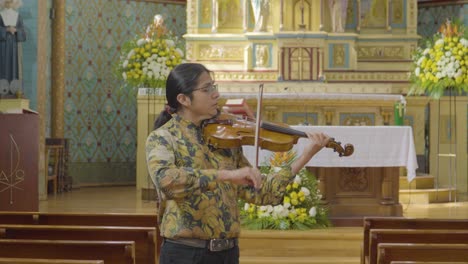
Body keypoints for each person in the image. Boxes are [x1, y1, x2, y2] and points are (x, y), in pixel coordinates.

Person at [146, 62, 330, 264]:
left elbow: (262, 192)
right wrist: (226, 175)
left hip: (227, 254)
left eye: (214, 87)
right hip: (185, 254)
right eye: (207, 89)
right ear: (183, 99)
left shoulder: (225, 136)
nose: (215, 94)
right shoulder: (163, 138)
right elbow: (167, 181)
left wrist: (306, 155)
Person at [0, 0, 26, 89]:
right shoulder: (0, 15)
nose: (8, 3)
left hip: (15, 46)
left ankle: (15, 90)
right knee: (2, 65)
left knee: (15, 66)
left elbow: (23, 32)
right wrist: (6, 30)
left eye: (11, 1)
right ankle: (2, 90)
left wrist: (16, 30)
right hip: (2, 45)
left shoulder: (17, 16)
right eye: (7, 1)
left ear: (14, 3)